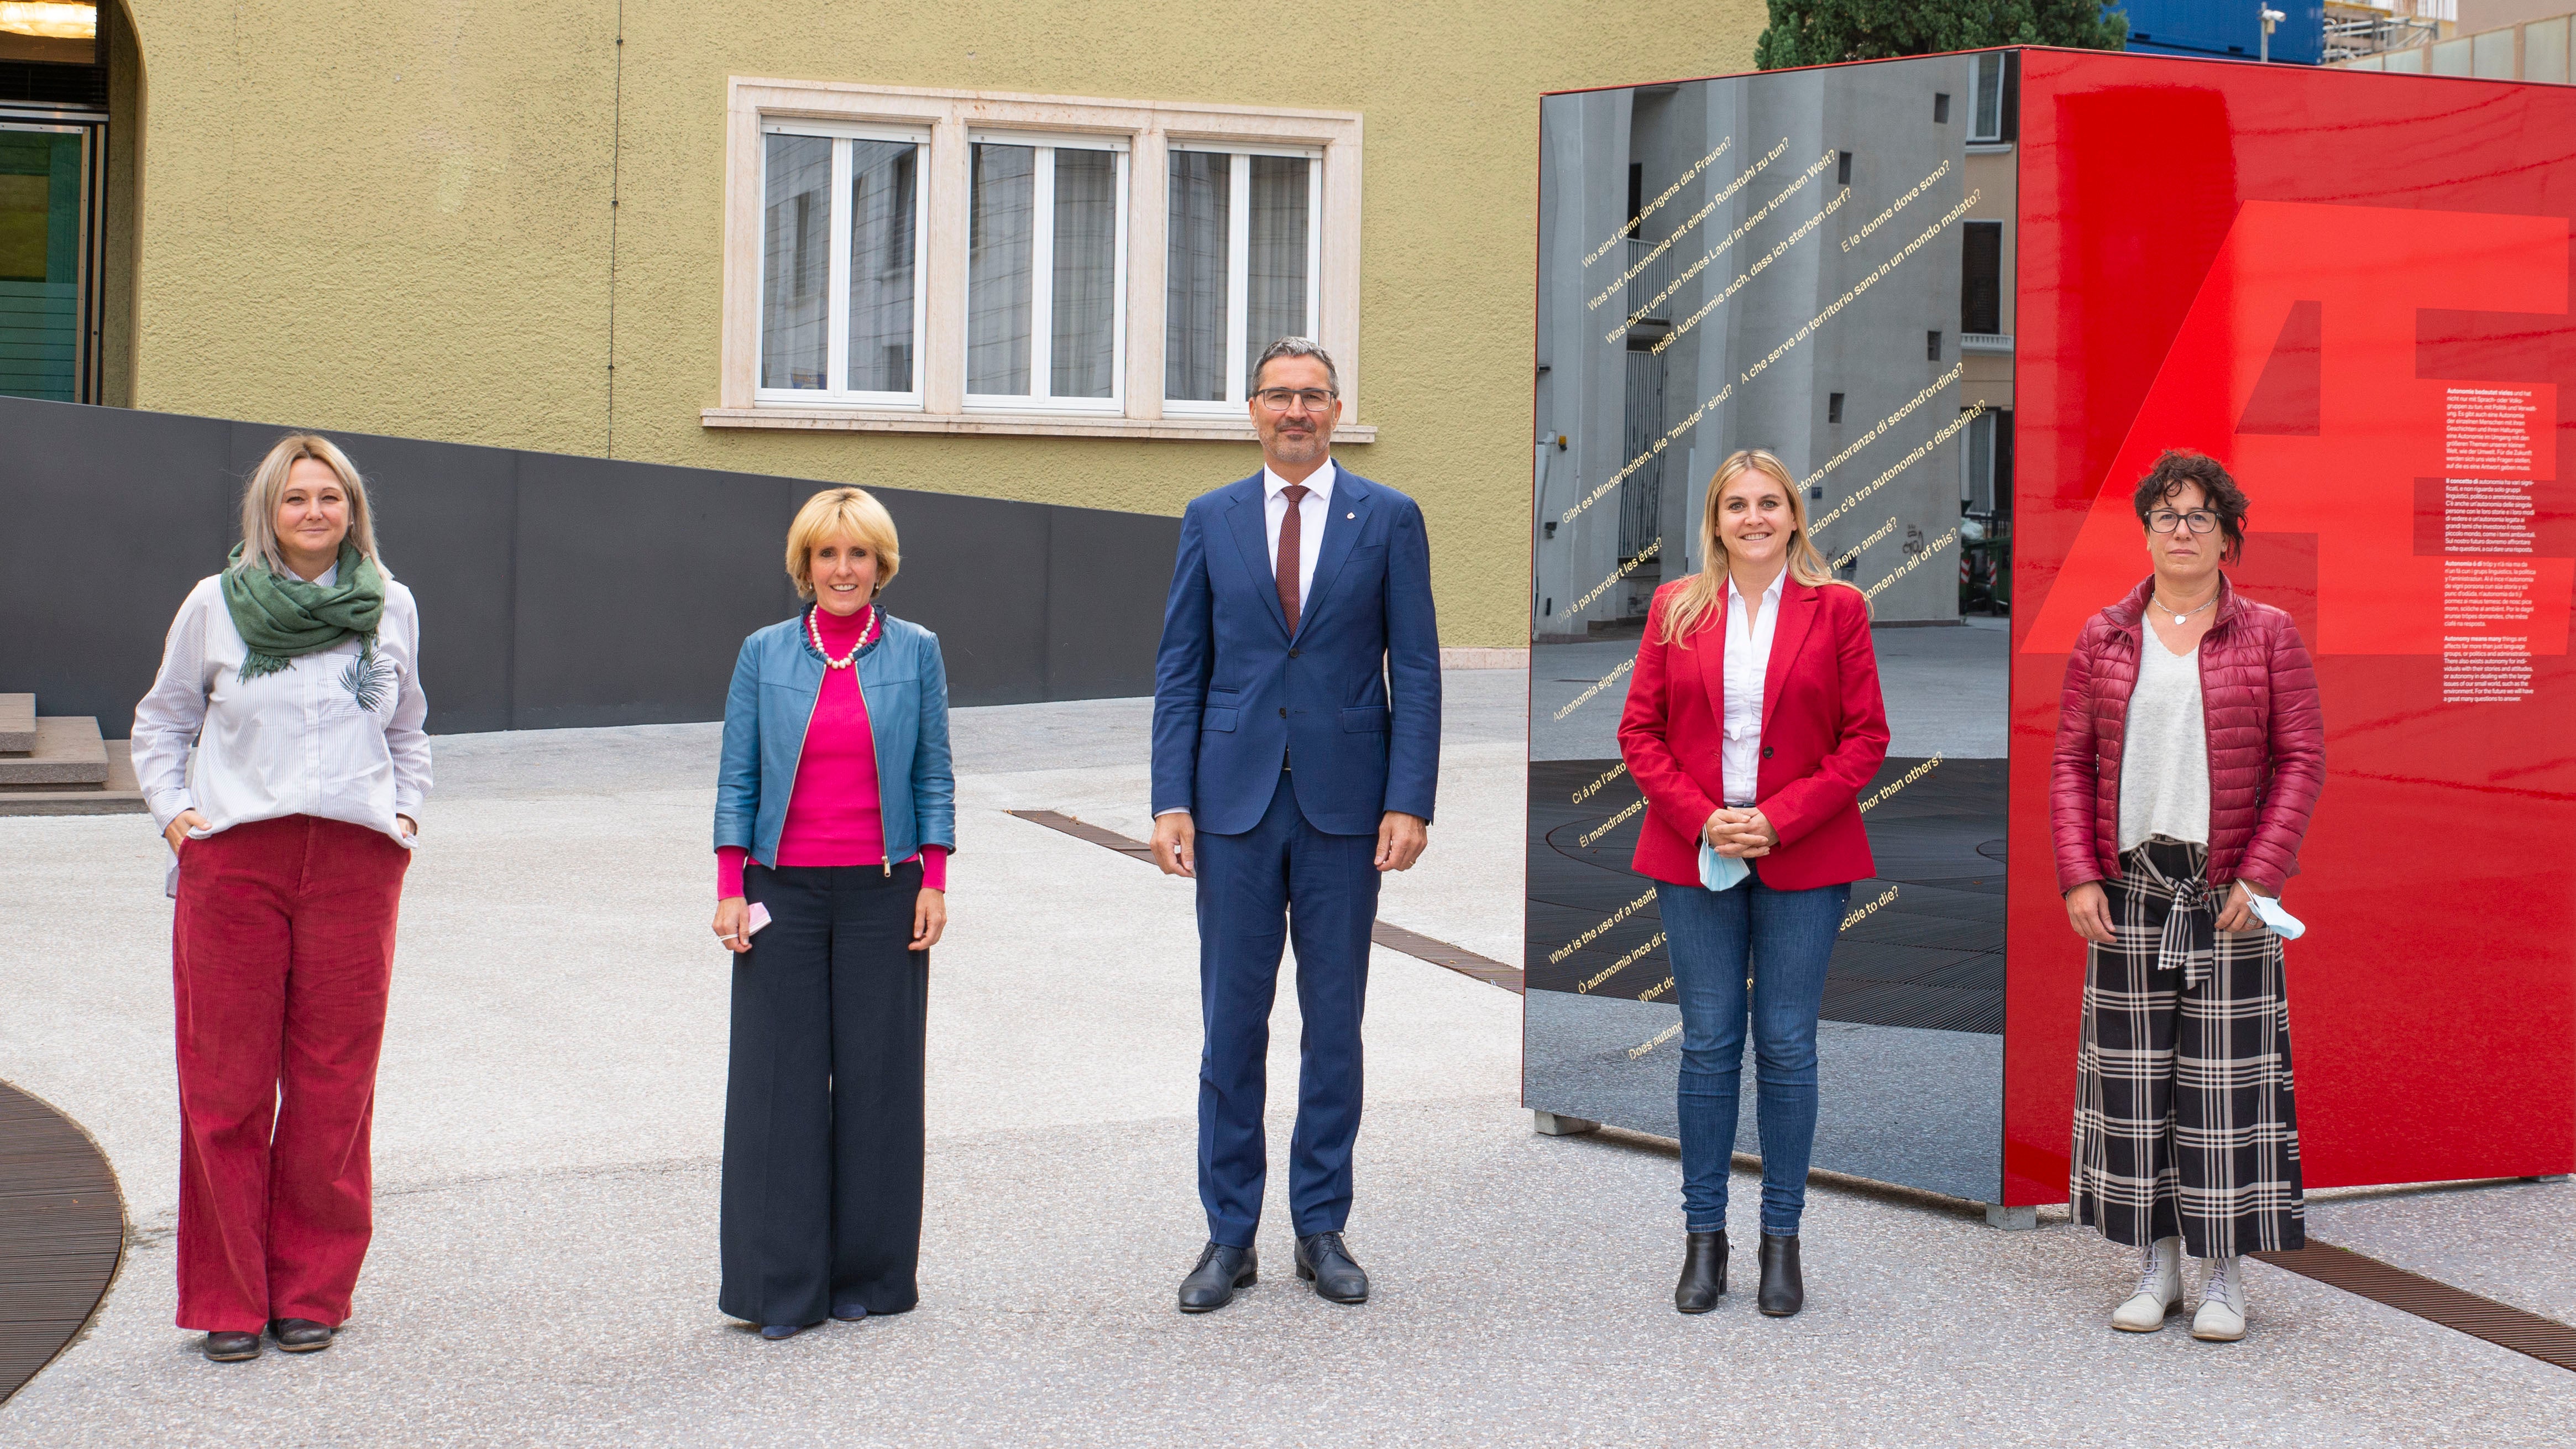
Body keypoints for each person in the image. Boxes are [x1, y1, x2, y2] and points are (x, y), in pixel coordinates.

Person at [1149, 337, 1441, 1314]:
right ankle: (1228, 1235)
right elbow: (1181, 669)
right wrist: (1170, 798)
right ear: (1253, 409)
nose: (1296, 411)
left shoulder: (1388, 517)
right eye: (1279, 395)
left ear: (1337, 408)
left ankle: (1321, 1225)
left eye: (1313, 395)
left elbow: (1418, 669)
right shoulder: (1212, 517)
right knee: (1231, 1026)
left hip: (1345, 809)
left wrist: (1410, 798)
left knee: (1334, 1023)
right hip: (1231, 806)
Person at [130, 433, 430, 1363]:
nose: (313, 512)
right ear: (269, 510)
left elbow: (410, 728)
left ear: (352, 509)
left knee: (335, 1085)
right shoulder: (214, 605)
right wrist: (178, 820)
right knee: (224, 1085)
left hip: (353, 863)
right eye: (295, 497)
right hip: (236, 863)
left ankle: (310, 1290)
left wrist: (404, 816)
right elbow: (162, 722)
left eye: (329, 497)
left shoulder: (390, 605)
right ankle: (227, 1297)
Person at [2054, 449, 2322, 1343]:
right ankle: (2157, 1266)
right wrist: (2078, 872)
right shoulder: (2104, 634)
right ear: (2145, 530)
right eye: (2166, 514)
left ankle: (2224, 1276)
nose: (2181, 530)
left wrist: (2262, 874)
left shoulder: (2269, 633)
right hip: (2131, 890)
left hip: (2227, 897)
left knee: (2223, 1092)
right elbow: (2070, 763)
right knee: (2135, 1089)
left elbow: (2302, 760)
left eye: (2200, 516)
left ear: (2227, 535)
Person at [1615, 448, 1888, 1319]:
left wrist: (1778, 819)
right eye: (1737, 505)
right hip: (1696, 850)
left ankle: (1781, 1241)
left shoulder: (1839, 608)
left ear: (1795, 515)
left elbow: (1866, 738)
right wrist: (1704, 817)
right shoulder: (1676, 606)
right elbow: (1640, 732)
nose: (1755, 518)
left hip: (1804, 851)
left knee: (1787, 1044)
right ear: (1716, 521)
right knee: (1707, 1043)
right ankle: (1704, 1241)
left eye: (1770, 502)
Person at [710, 486, 955, 1341]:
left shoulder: (917, 651)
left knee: (877, 1083)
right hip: (781, 891)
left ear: (880, 565)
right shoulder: (763, 653)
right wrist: (730, 885)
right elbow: (739, 774)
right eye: (827, 553)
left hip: (886, 891)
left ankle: (869, 1277)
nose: (843, 569)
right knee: (777, 1087)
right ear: (805, 565)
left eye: (858, 553)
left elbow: (933, 772)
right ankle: (781, 1287)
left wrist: (934, 878)